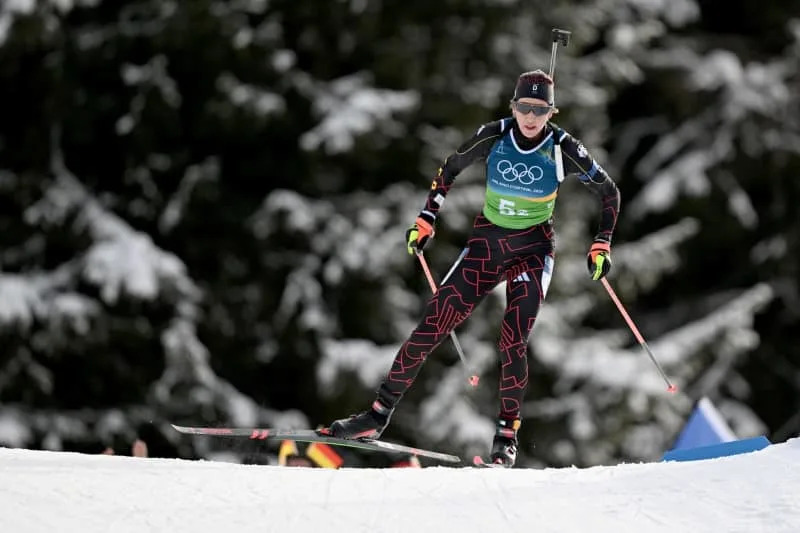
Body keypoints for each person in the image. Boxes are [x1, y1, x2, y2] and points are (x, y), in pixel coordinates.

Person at [327, 69, 621, 467]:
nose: (531, 118)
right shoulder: (494, 134)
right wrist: (427, 218)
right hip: (486, 247)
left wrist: (601, 243)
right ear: (513, 106)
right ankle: (376, 416)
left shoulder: (563, 148)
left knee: (512, 339)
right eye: (524, 107)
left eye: (540, 109)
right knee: (432, 325)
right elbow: (448, 169)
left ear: (552, 112)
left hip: (532, 253)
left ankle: (505, 438)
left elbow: (609, 193)